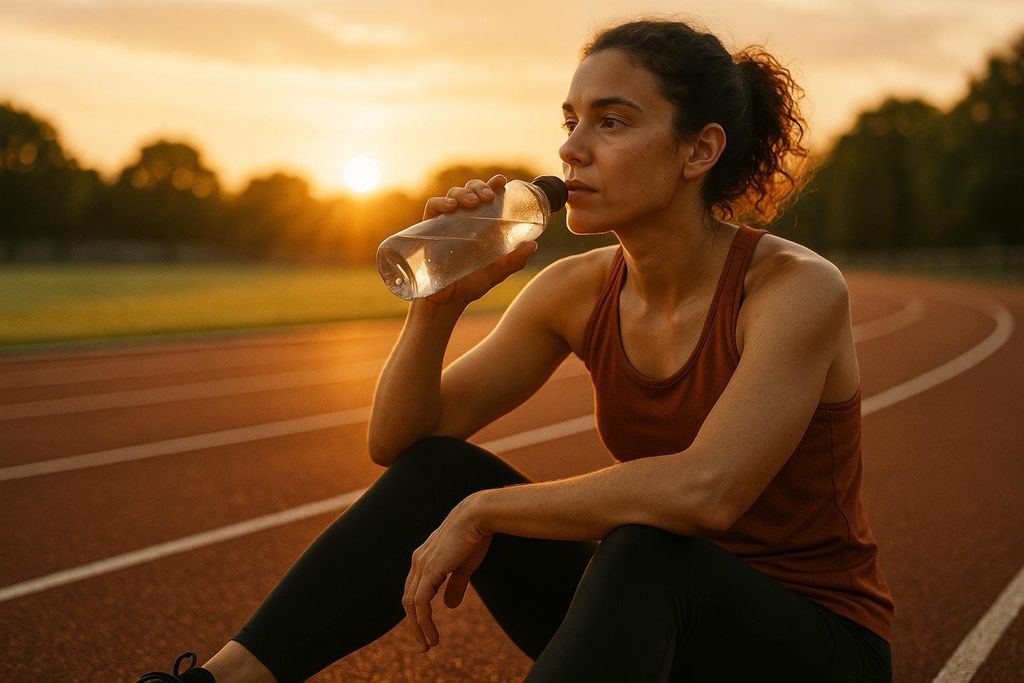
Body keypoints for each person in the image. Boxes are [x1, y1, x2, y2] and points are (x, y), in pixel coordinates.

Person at [138, 16, 895, 683]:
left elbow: (707, 491)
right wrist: (436, 309)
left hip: (814, 647)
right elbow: (398, 442)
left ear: (698, 151)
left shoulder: (795, 288)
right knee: (442, 470)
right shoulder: (572, 289)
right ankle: (224, 681)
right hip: (646, 626)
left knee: (643, 546)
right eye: (569, 121)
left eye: (611, 122)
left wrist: (490, 508)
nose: (572, 149)